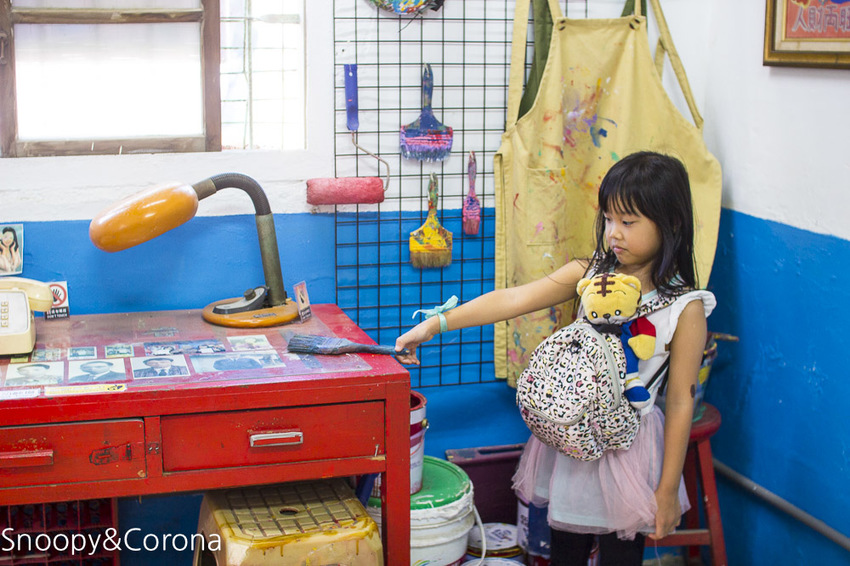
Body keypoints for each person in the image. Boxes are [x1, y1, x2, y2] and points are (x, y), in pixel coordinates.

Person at [395, 151, 715, 566]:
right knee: (564, 552)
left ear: (671, 223)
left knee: (622, 557)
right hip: (575, 440)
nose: (613, 233)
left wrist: (668, 489)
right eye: (608, 219)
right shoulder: (589, 275)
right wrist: (433, 324)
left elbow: (679, 401)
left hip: (632, 451)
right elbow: (512, 298)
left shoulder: (685, 308)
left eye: (629, 222)